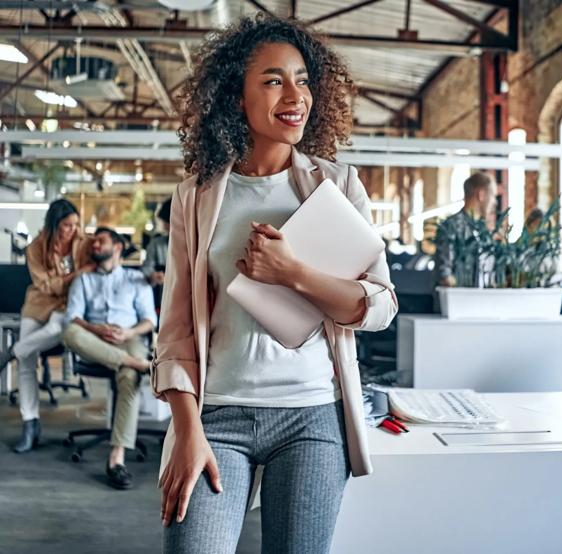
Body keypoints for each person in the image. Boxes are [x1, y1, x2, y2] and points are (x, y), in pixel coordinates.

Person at [152, 14, 398, 554]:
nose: (295, 95)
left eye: (303, 79)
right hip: (218, 415)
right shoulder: (196, 197)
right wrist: (187, 430)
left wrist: (294, 274)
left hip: (312, 417)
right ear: (235, 96)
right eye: (273, 80)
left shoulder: (336, 184)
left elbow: (379, 306)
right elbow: (174, 333)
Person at [62, 227, 157, 490]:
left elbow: (150, 320)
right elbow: (73, 317)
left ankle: (117, 458)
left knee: (128, 379)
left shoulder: (136, 278)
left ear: (117, 247)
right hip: (95, 340)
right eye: (93, 242)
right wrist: (97, 329)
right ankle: (140, 365)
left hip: (130, 338)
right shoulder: (84, 280)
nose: (94, 245)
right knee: (69, 332)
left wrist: (129, 331)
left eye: (100, 241)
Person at [0, 199, 94, 453]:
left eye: (75, 224)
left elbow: (89, 273)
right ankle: (30, 423)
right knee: (27, 361)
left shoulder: (84, 243)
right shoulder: (35, 248)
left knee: (54, 330)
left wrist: (71, 278)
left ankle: (10, 352)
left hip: (68, 306)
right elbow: (46, 287)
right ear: (55, 224)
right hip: (38, 304)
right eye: (67, 225)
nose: (73, 230)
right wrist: (77, 274)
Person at [434, 172, 498, 288]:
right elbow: (445, 275)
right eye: (492, 195)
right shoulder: (451, 226)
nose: (494, 201)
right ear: (481, 194)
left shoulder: (484, 232)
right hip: (456, 303)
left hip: (482, 303)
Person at [142, 199, 171, 310]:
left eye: (167, 223)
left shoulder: (196, 245)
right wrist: (153, 276)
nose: (164, 227)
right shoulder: (156, 244)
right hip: (163, 301)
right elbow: (146, 268)